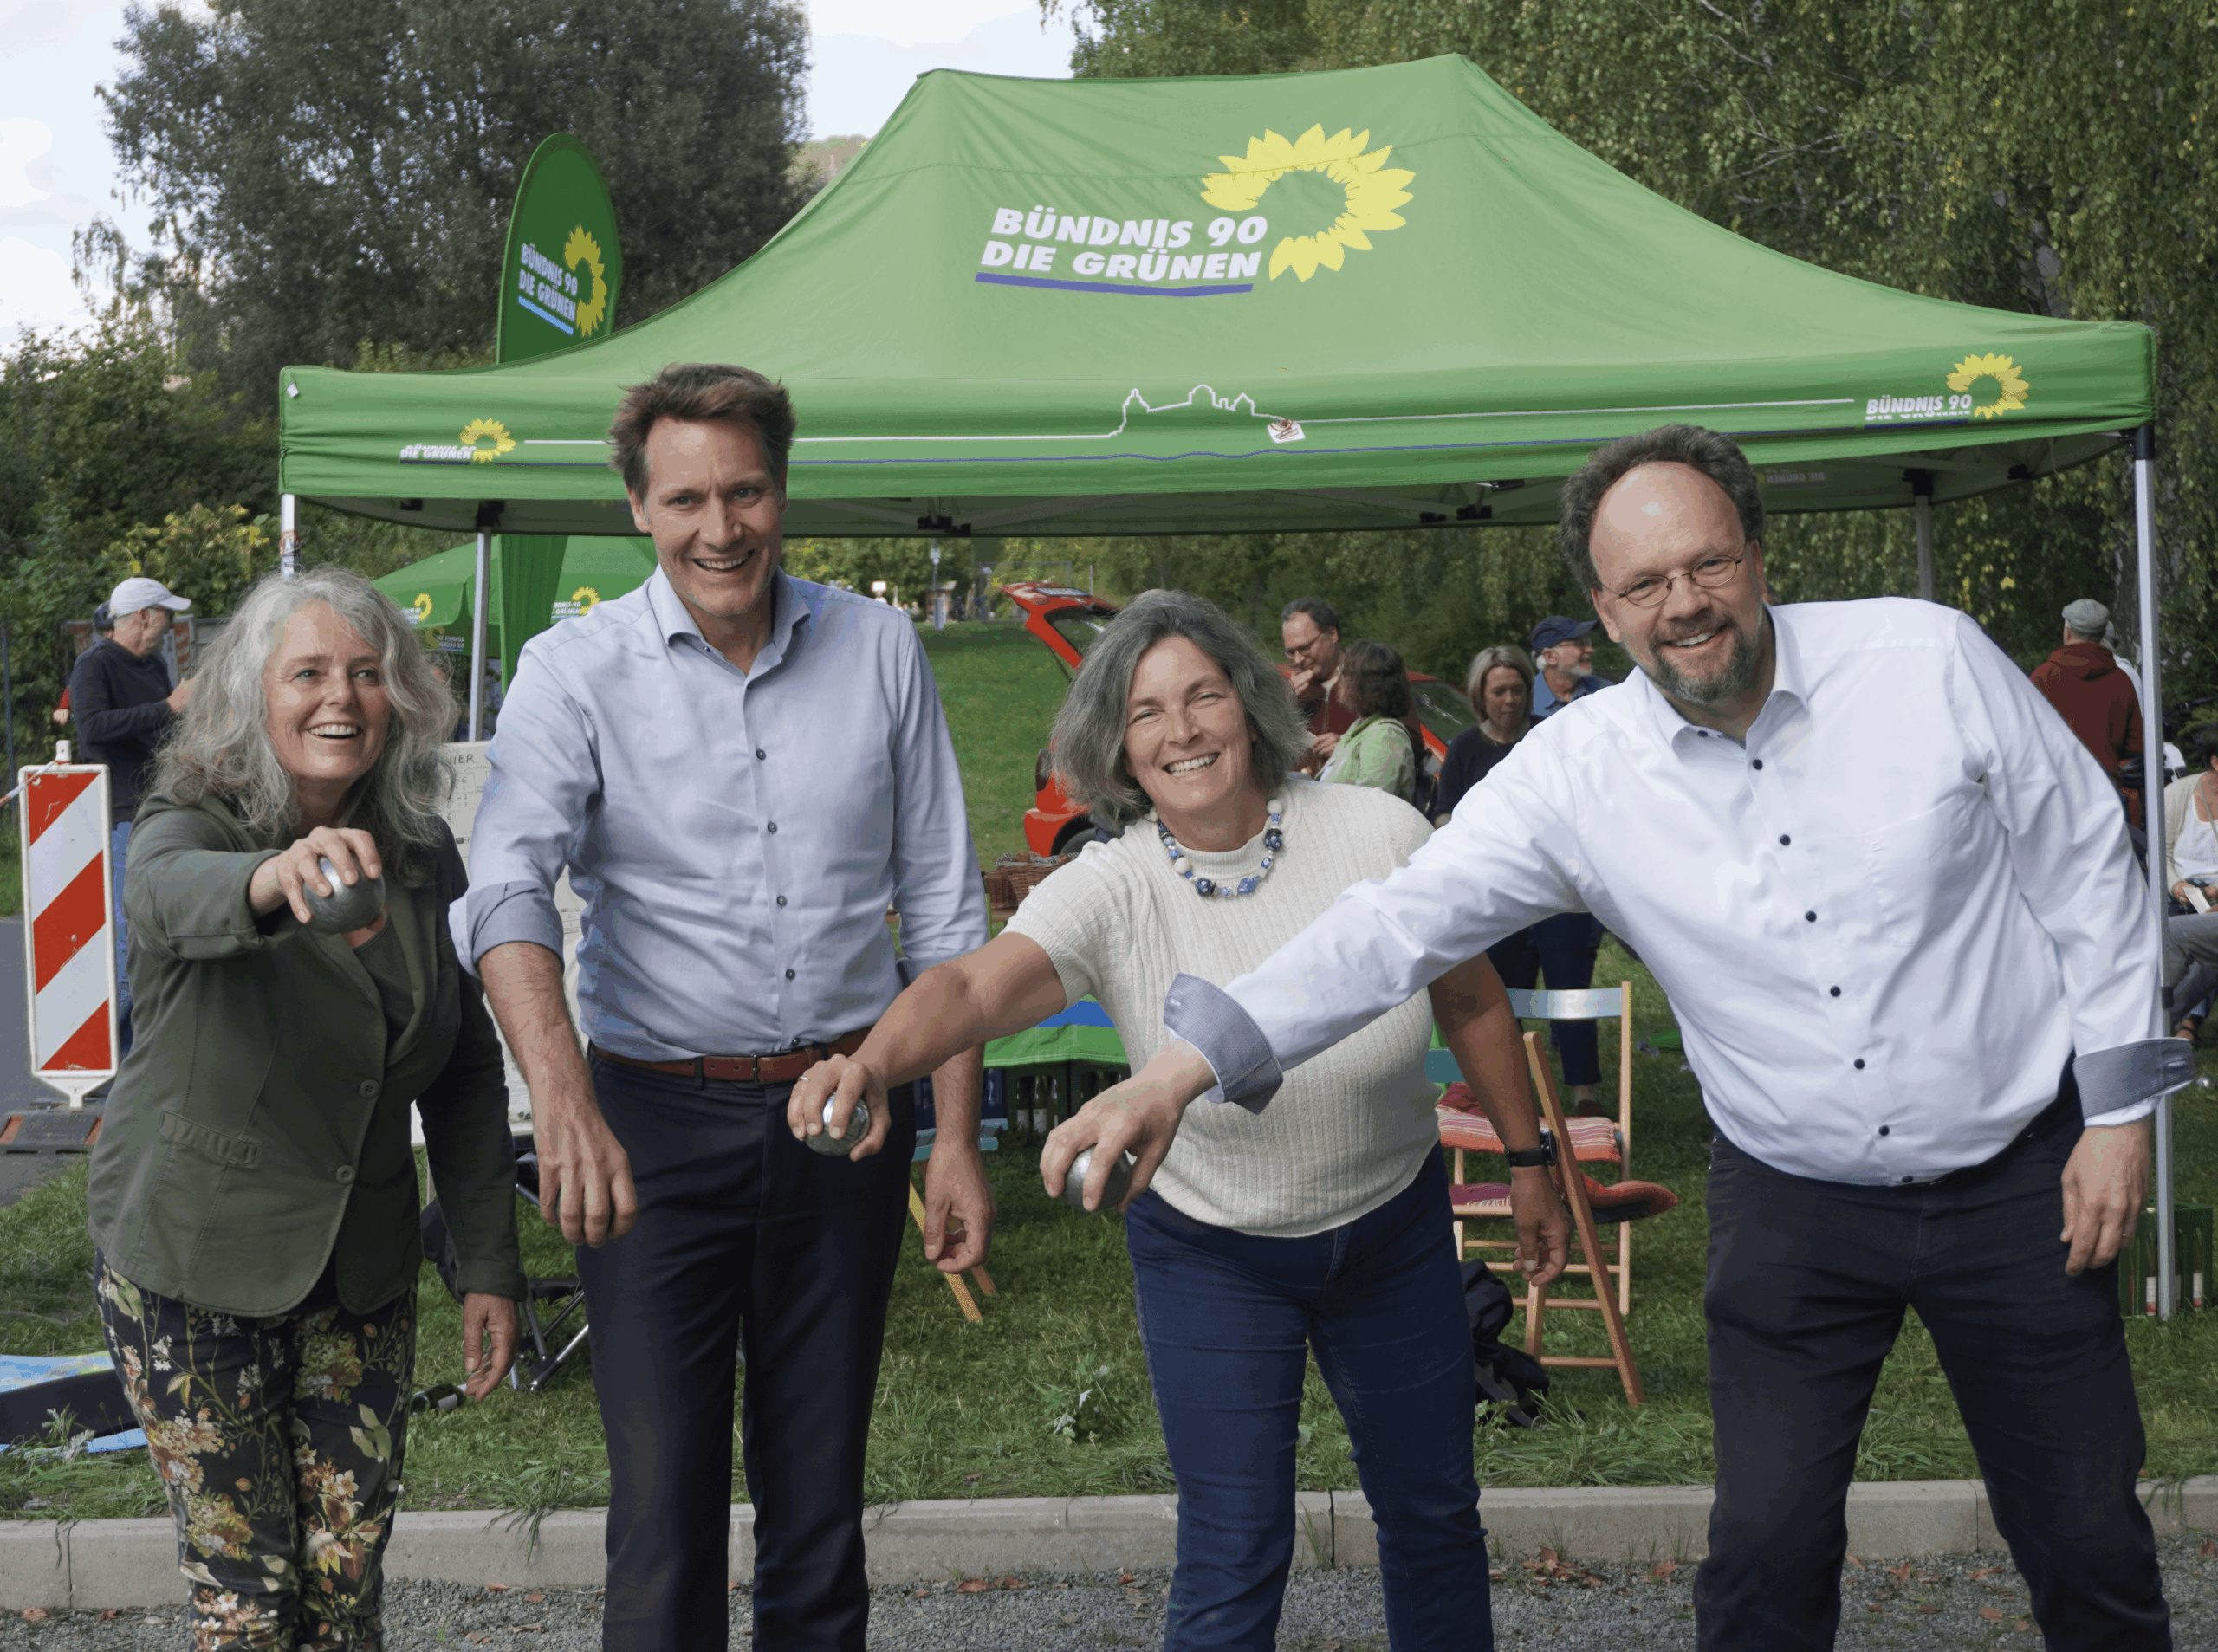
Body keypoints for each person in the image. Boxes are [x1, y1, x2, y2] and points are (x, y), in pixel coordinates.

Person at [1074, 424, 2185, 1652]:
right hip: (1794, 1201)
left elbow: (2086, 858)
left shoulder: (1925, 658)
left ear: (1758, 557)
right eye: (1645, 585)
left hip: (2019, 1173)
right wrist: (1184, 1066)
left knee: (2087, 1541)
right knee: (1762, 1559)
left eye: (1706, 564)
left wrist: (2120, 1110)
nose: (1686, 605)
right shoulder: (1575, 773)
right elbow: (1391, 928)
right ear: (1603, 612)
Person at [790, 589, 1569, 1652]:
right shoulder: (1110, 883)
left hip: (1394, 1232)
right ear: (1115, 745)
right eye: (1147, 711)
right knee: (1234, 1543)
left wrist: (1528, 1159)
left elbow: (1473, 998)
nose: (1182, 729)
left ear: (1250, 704)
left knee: (1432, 1516)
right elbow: (969, 990)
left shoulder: (1377, 829)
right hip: (1212, 1254)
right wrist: (875, 1062)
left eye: (1202, 694)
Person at [463, 362, 991, 1651]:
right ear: (637, 506)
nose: (721, 526)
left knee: (821, 1504)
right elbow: (503, 887)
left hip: (848, 1114)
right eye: (687, 496)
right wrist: (567, 1106)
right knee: (663, 1513)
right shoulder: (571, 670)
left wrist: (957, 1135)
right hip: (647, 1129)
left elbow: (944, 910)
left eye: (746, 490)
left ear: (782, 489)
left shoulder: (878, 646)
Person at [85, 567, 522, 1649]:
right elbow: (166, 893)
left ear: (401, 697)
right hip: (195, 1260)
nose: (343, 696)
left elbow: (464, 1068)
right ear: (252, 693)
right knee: (249, 1600)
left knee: (345, 1584)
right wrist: (276, 877)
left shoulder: (417, 848)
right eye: (310, 671)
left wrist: (485, 1264)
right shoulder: (192, 815)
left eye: (368, 673)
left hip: (359, 1270)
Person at [70, 576, 195, 1057]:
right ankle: (124, 1059)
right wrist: (166, 707)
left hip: (162, 805)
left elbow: (163, 728)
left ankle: (151, 1051)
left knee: (158, 928)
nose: (168, 625)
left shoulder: (155, 664)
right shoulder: (94, 665)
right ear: (143, 616)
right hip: (124, 812)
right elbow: (94, 730)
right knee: (132, 936)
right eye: (165, 615)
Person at [2032, 597, 2144, 826]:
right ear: (2101, 635)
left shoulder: (2044, 678)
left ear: (2067, 632)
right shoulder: (2122, 682)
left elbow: (2028, 745)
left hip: (2058, 800)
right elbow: (2135, 749)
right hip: (2109, 800)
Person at [1435, 644, 1534, 823]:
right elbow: (1443, 812)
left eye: (1518, 690)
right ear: (1479, 695)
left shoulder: (1546, 734)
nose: (1510, 700)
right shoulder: (1464, 748)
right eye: (1499, 692)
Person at [1316, 638, 1417, 803]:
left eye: (1344, 670)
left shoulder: (1385, 737)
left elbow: (1370, 809)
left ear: (1365, 683)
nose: (1339, 676)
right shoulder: (1361, 727)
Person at [1281, 596, 1353, 768]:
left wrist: (1349, 747)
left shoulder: (1372, 682)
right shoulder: (1291, 690)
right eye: (1290, 652)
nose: (1297, 660)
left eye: (1304, 648)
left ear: (1332, 635)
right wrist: (1281, 706)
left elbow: (1406, 746)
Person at [1527, 614, 1612, 719]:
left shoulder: (1603, 690)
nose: (1591, 650)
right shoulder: (1525, 701)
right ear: (1550, 657)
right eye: (1579, 644)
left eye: (1587, 642)